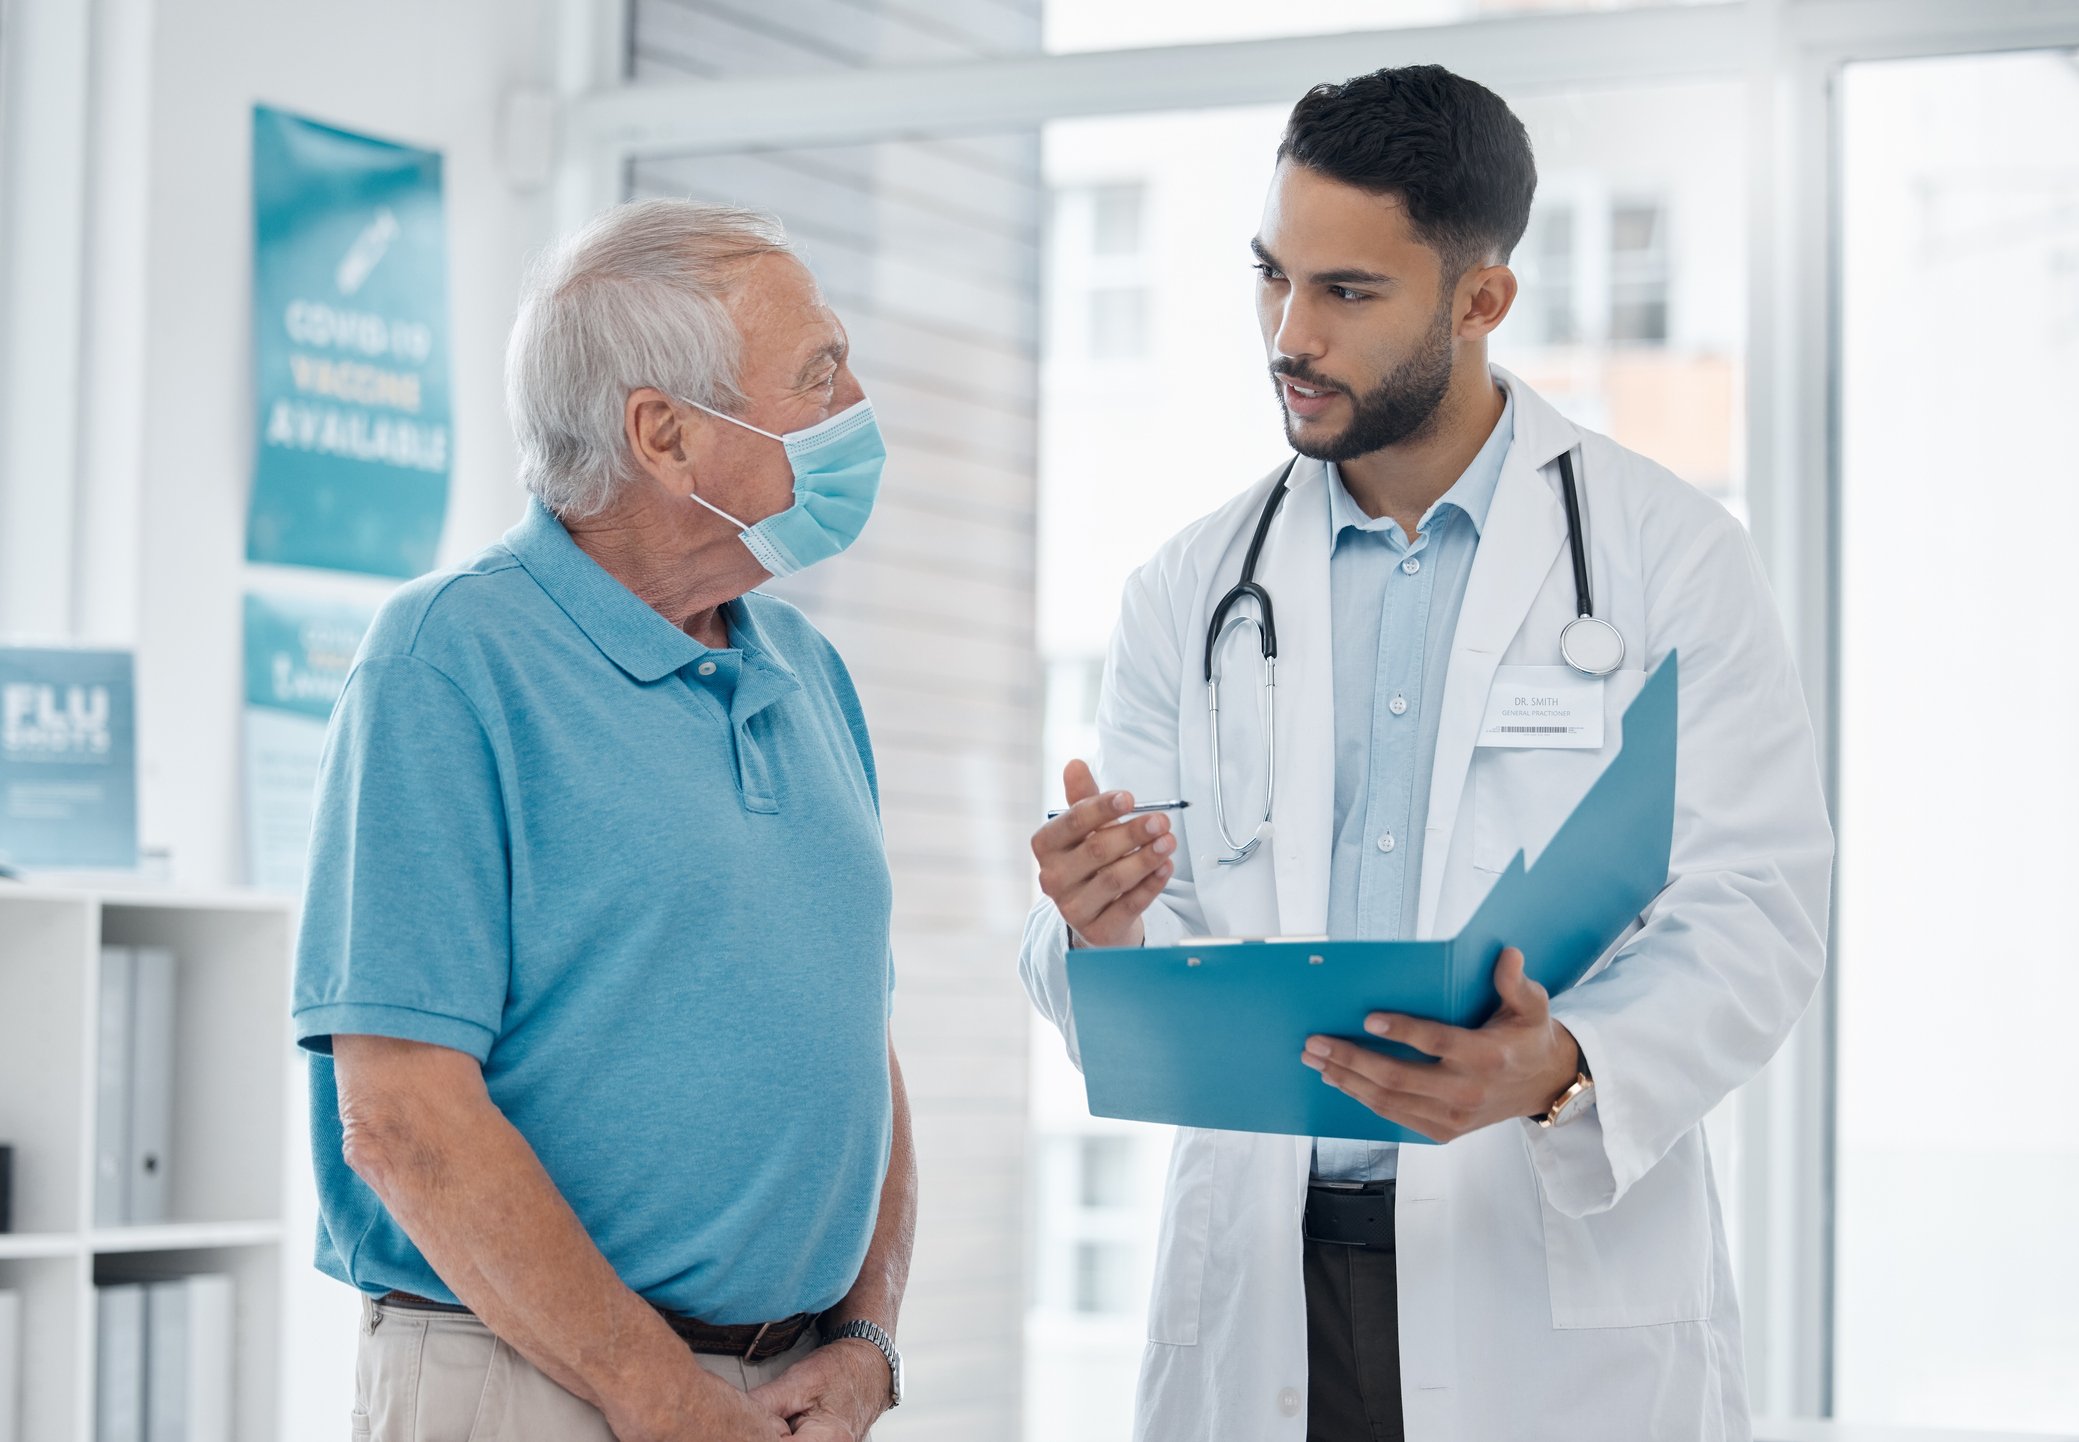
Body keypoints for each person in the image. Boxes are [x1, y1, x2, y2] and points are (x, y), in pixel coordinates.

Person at [1020, 66, 1832, 1442]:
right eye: (1270, 276)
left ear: (1478, 301)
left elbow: (1755, 908)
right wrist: (1096, 930)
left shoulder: (1667, 558)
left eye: (1346, 292)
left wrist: (1566, 1059)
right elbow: (1143, 965)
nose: (1289, 332)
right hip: (1263, 1289)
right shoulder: (1188, 585)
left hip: (1542, 1288)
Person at [293, 199, 911, 1442]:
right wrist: (659, 1394)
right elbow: (403, 1117)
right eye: (818, 370)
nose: (858, 400)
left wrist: (867, 1335)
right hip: (537, 1381)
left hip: (785, 1393)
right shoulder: (448, 657)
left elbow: (856, 1044)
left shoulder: (806, 666)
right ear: (665, 434)